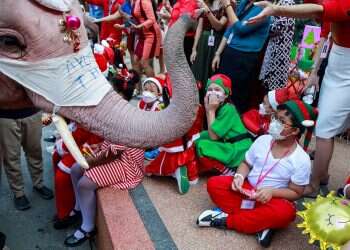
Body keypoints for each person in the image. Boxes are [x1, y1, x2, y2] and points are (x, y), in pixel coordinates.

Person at [246, 0, 350, 197]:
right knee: (327, 127)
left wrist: (276, 9)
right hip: (336, 64)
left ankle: (315, 183)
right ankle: (321, 176)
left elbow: (318, 10)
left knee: (325, 129)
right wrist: (314, 72)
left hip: (345, 66)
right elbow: (325, 38)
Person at [197, 100, 317, 247]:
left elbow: (296, 192)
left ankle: (227, 220)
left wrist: (271, 192)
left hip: (271, 200)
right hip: (246, 190)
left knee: (286, 212)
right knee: (214, 184)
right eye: (274, 118)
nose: (274, 123)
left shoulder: (301, 159)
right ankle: (261, 223)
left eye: (281, 121)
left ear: (295, 131)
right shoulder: (263, 140)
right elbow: (246, 164)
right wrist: (239, 177)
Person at [63, 89, 145, 247]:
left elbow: (113, 154)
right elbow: (109, 143)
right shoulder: (114, 117)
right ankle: (79, 206)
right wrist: (99, 146)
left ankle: (88, 227)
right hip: (114, 154)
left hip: (126, 163)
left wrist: (91, 161)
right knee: (75, 168)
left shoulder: (127, 121)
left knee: (84, 184)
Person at [212, 0, 271, 113]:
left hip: (244, 58)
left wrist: (227, 6)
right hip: (230, 52)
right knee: (222, 90)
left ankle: (232, 125)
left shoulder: (263, 8)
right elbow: (231, 27)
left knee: (236, 96)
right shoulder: (244, 3)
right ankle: (217, 122)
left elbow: (240, 29)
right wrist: (218, 53)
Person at [195, 74, 252, 175]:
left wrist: (210, 110)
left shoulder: (228, 109)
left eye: (217, 89)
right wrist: (209, 109)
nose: (212, 93)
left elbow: (213, 137)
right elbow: (210, 131)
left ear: (225, 94)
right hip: (227, 141)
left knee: (202, 145)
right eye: (210, 89)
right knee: (199, 136)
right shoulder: (219, 107)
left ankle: (227, 171)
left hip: (238, 149)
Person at [0, 109, 53, 210]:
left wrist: (47, 110)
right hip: (5, 115)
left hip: (32, 111)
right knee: (11, 157)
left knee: (35, 151)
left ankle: (39, 184)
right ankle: (18, 193)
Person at [190, 0, 230, 101]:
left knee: (212, 73)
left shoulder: (227, 5)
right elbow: (199, 28)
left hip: (217, 43)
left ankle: (211, 101)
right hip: (203, 42)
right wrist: (194, 49)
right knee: (198, 73)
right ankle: (197, 103)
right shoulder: (206, 3)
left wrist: (207, 11)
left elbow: (219, 26)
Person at [259, 0, 295, 90]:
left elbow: (279, 26)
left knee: (272, 85)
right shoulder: (279, 2)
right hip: (273, 46)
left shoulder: (288, 2)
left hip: (279, 50)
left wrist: (260, 25)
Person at [131, 0, 161, 77]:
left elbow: (152, 19)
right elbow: (135, 18)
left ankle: (153, 86)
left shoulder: (144, 1)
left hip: (150, 34)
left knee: (144, 62)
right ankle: (139, 86)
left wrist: (139, 26)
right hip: (142, 35)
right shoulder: (135, 1)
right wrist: (123, 26)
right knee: (136, 60)